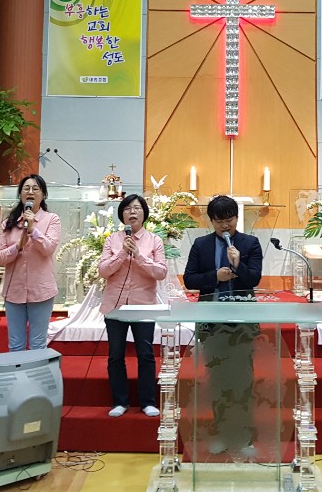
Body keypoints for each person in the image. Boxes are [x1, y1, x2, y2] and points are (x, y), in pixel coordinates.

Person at [183, 195, 263, 455]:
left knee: (243, 379)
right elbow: (189, 279)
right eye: (219, 221)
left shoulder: (250, 243)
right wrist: (215, 277)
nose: (225, 225)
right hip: (212, 322)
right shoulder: (201, 244)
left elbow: (254, 279)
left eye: (229, 220)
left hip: (242, 321)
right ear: (211, 221)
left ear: (237, 218)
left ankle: (245, 437)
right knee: (217, 379)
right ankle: (221, 432)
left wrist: (239, 264)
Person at [98, 194, 168, 418]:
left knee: (145, 354)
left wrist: (138, 256)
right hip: (115, 306)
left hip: (143, 305)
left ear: (144, 213)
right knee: (115, 355)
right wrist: (122, 254)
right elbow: (103, 271)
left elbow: (161, 272)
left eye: (137, 208)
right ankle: (120, 402)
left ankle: (147, 402)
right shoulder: (112, 240)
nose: (132, 212)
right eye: (127, 208)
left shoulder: (154, 241)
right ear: (122, 215)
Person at [0, 174, 61, 352]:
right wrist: (17, 247)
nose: (30, 192)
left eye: (35, 189)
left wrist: (33, 230)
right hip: (14, 291)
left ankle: (37, 372)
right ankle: (18, 372)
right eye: (26, 188)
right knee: (15, 345)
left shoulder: (52, 219)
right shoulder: (8, 223)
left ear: (43, 195)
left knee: (38, 344)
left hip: (41, 291)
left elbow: (48, 249)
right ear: (20, 194)